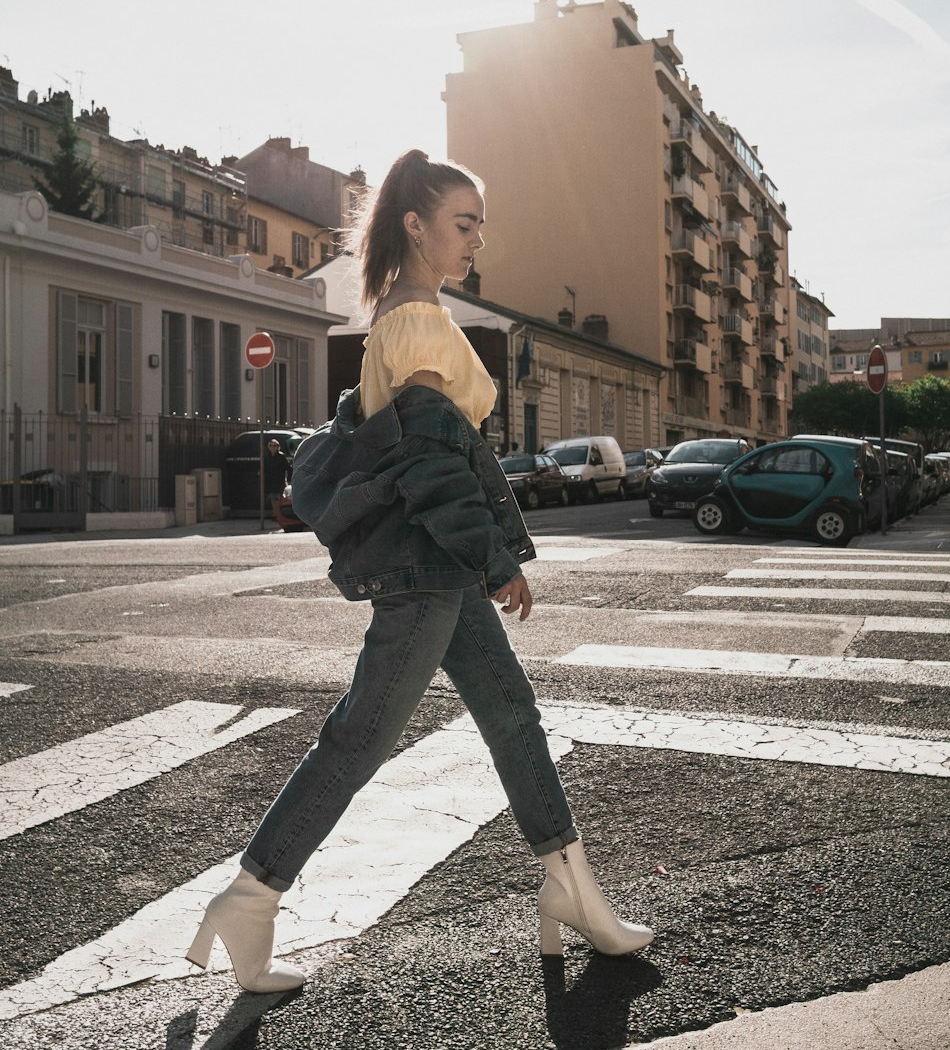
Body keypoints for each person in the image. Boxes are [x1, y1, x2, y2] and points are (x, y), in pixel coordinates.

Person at [186, 150, 653, 993]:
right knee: (361, 737)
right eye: (463, 224)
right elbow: (435, 464)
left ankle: (571, 887)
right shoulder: (419, 325)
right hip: (429, 570)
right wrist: (495, 559)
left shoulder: (401, 319)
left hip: (434, 568)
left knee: (512, 713)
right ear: (416, 224)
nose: (476, 241)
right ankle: (252, 896)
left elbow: (402, 442)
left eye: (480, 225)